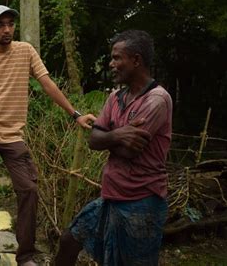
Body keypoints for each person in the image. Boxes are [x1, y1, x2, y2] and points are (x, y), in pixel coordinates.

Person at [0, 5, 96, 266]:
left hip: (13, 137)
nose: (7, 29)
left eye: (10, 24)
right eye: (0, 24)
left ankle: (25, 256)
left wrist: (75, 114)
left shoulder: (25, 51)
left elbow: (47, 83)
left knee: (29, 190)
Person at [55, 30, 172, 266]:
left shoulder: (156, 100)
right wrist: (119, 134)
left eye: (117, 58)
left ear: (136, 60)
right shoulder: (116, 97)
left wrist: (107, 137)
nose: (111, 64)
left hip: (142, 202)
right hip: (112, 197)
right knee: (69, 240)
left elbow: (130, 151)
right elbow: (93, 140)